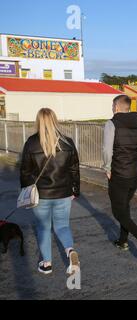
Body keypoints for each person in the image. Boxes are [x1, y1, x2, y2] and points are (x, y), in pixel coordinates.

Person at [20, 108, 80, 275]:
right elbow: (74, 169)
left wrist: (26, 192)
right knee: (62, 226)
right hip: (64, 193)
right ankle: (70, 251)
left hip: (41, 195)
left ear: (38, 121)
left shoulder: (31, 143)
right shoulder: (67, 142)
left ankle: (46, 264)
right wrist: (76, 190)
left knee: (44, 228)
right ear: (55, 120)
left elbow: (25, 171)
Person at [103, 95, 137, 262]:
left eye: (112, 105)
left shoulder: (112, 124)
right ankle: (123, 241)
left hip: (118, 173)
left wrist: (107, 167)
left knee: (118, 211)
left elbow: (107, 150)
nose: (111, 108)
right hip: (135, 173)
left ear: (117, 107)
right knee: (125, 206)